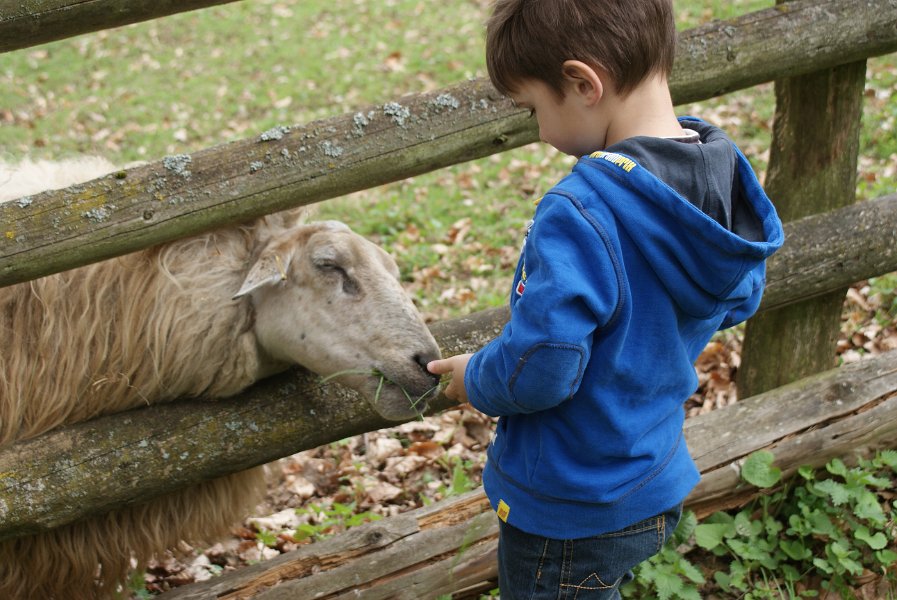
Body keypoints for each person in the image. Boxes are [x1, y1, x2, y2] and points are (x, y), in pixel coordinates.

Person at [426, 0, 785, 597]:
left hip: (572, 500)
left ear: (582, 84)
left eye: (534, 109)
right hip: (650, 471)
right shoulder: (716, 172)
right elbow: (739, 298)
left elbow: (544, 366)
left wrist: (476, 378)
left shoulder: (580, 212)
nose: (540, 131)